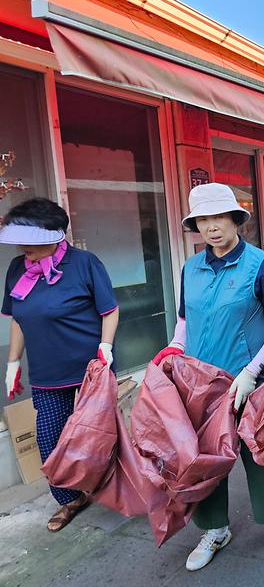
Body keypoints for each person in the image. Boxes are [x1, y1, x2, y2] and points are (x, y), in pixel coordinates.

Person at [151, 183, 264, 572]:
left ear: (235, 219)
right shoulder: (190, 267)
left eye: (218, 218)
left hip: (248, 381)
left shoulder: (261, 265)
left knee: (258, 456)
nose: (212, 227)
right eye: (203, 220)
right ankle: (215, 529)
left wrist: (252, 371)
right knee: (205, 459)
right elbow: (184, 320)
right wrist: (174, 351)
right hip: (199, 384)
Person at [0, 198, 119, 531]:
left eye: (31, 240)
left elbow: (109, 310)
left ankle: (116, 488)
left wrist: (105, 347)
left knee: (99, 436)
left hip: (90, 368)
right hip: (47, 373)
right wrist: (13, 363)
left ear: (53, 237)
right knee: (50, 438)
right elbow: (16, 318)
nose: (24, 247)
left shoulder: (84, 263)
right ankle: (69, 499)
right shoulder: (16, 268)